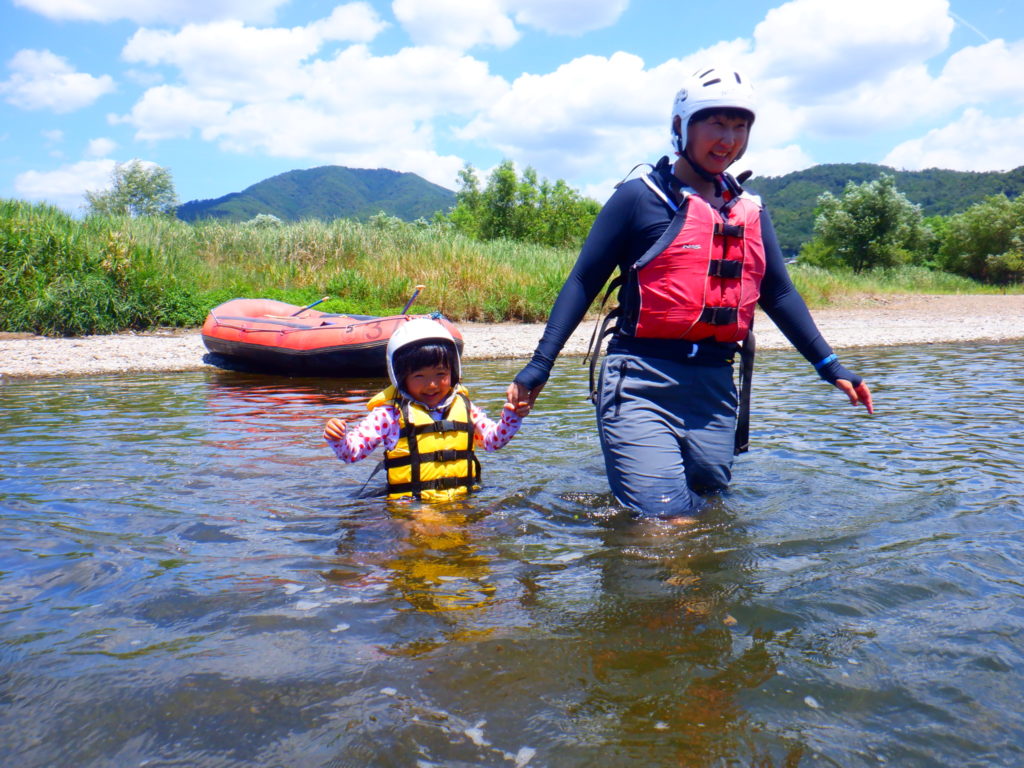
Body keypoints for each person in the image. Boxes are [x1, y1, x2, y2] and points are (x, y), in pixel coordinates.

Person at [506, 66, 873, 520]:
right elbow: (583, 280)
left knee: (710, 511)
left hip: (714, 386)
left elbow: (777, 293)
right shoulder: (638, 198)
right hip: (640, 378)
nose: (729, 139)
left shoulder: (750, 210)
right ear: (681, 127)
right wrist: (539, 366)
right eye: (716, 123)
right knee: (667, 519)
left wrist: (831, 366)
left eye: (740, 127)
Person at [325, 318, 526, 502]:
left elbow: (493, 442)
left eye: (441, 374)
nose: (432, 385)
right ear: (401, 377)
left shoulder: (465, 408)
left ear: (453, 371)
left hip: (462, 503)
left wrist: (512, 418)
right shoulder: (389, 415)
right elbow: (351, 453)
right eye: (419, 376)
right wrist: (339, 439)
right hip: (411, 511)